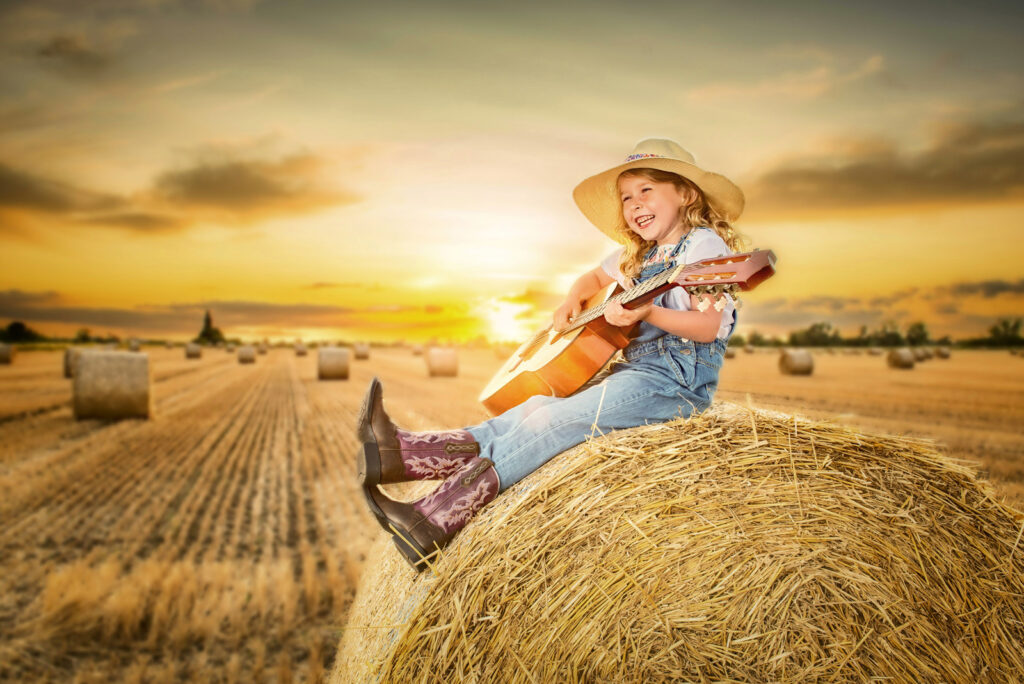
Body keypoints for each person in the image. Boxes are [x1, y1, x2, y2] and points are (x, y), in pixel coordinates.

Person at [357, 138, 745, 570]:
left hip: (675, 383)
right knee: (535, 408)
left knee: (559, 421)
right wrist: (571, 303)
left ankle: (432, 520)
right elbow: (590, 277)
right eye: (627, 197)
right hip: (637, 371)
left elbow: (709, 327)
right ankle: (401, 454)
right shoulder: (640, 254)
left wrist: (648, 309)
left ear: (686, 193)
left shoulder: (705, 247)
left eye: (647, 190)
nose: (635, 205)